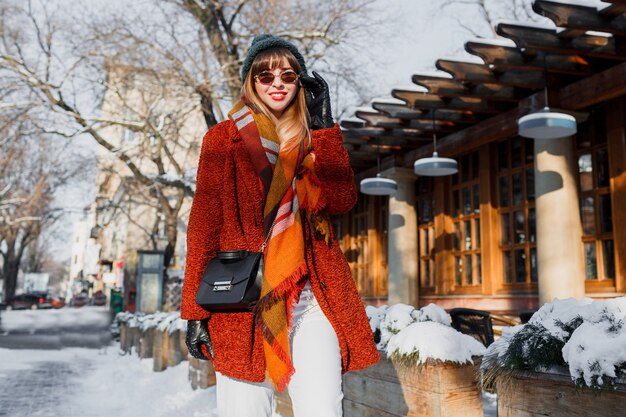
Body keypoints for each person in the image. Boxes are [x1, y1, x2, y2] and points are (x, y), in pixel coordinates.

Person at [181, 34, 379, 417]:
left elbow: (342, 200)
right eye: (265, 76)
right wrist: (194, 312)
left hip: (310, 297)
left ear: (300, 82)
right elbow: (203, 225)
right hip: (241, 296)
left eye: (288, 77)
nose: (277, 85)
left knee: (323, 410)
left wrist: (324, 128)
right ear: (250, 82)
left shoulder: (312, 138)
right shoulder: (223, 139)